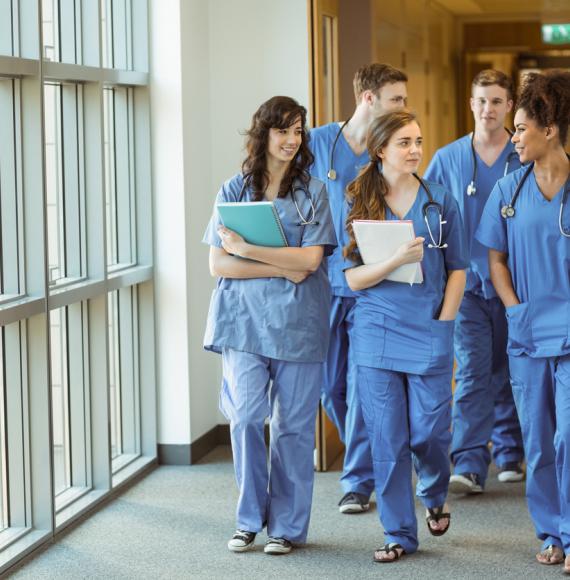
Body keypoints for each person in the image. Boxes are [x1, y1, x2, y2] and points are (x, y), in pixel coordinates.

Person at [203, 96, 337, 555]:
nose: (291, 140)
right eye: (283, 131)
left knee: (294, 429)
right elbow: (219, 264)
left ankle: (286, 526)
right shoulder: (232, 191)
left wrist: (248, 249)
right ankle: (247, 520)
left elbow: (310, 261)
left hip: (298, 324)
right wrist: (280, 265)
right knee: (243, 419)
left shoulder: (313, 193)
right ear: (263, 134)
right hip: (243, 324)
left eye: (298, 131)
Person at [343, 110, 468, 562]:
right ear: (380, 150)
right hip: (376, 331)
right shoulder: (357, 200)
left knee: (430, 433)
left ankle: (434, 491)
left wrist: (444, 322)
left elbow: (458, 269)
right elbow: (354, 279)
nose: (415, 150)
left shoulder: (441, 202)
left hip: (429, 328)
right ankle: (398, 532)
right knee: (387, 438)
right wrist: (395, 260)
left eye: (418, 140)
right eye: (404, 143)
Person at [476, 70, 570, 574]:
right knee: (538, 441)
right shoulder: (509, 189)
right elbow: (494, 258)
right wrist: (514, 307)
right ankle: (551, 532)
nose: (512, 138)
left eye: (520, 128)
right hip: (529, 331)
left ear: (550, 129)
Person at [309, 63, 408, 513]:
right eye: (396, 99)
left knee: (363, 382)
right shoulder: (318, 142)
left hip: (370, 285)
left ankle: (358, 480)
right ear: (368, 99)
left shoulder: (387, 149)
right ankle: (378, 452)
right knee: (331, 388)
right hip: (324, 283)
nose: (404, 108)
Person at [424, 70, 524, 494]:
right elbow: (426, 210)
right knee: (472, 371)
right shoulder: (448, 159)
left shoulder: (523, 155)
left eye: (498, 101)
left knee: (511, 368)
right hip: (465, 286)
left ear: (509, 107)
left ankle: (509, 451)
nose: (489, 110)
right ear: (471, 104)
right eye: (482, 101)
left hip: (516, 283)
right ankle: (468, 461)